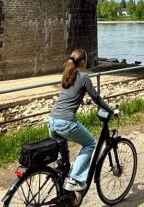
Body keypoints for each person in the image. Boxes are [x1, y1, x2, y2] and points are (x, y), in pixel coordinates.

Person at [49, 49, 119, 192]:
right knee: (90, 144)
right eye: (86, 60)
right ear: (82, 62)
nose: (86, 62)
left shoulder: (67, 75)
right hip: (66, 122)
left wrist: (81, 101)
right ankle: (73, 179)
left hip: (52, 121)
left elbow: (68, 95)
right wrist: (111, 110)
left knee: (63, 163)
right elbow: (96, 98)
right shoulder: (84, 77)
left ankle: (62, 187)